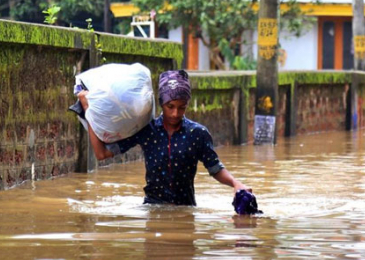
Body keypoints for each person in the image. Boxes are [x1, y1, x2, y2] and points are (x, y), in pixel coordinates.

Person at [77, 69, 251, 206]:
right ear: (161, 103)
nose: (176, 113)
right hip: (153, 208)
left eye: (182, 107)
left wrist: (236, 184)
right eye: (170, 106)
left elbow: (215, 169)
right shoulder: (146, 131)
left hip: (186, 210)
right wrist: (88, 110)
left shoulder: (197, 134)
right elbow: (102, 154)